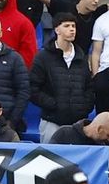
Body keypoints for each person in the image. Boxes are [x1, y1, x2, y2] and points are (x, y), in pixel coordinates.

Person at [31, 12, 94, 140]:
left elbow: (89, 88)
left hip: (77, 123)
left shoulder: (81, 58)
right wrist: (52, 104)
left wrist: (84, 107)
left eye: (73, 26)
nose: (72, 29)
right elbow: (32, 88)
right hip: (52, 121)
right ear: (57, 30)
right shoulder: (43, 57)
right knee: (49, 153)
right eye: (66, 26)